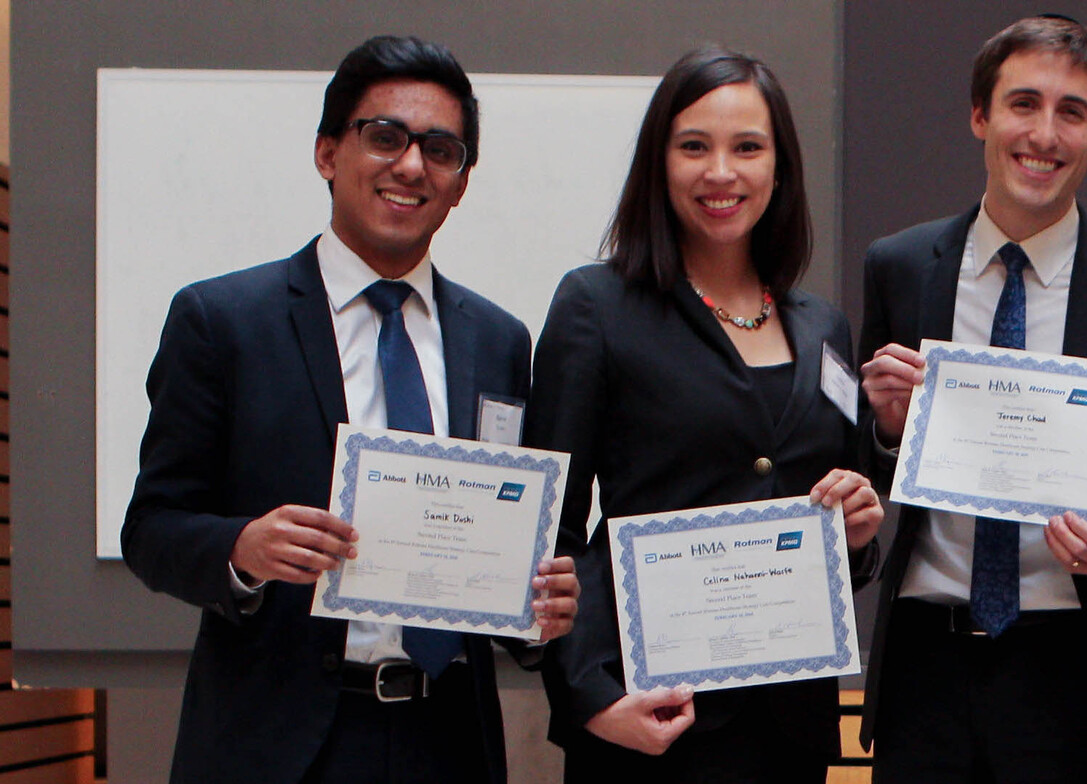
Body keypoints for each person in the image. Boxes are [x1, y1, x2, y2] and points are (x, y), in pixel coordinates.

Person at [120, 35, 579, 784]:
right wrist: (243, 548)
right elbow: (151, 528)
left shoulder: (499, 341)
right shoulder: (223, 320)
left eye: (441, 149)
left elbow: (503, 540)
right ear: (328, 153)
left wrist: (539, 610)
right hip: (280, 744)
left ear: (460, 183)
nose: (410, 165)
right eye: (384, 136)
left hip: (449, 739)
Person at [526, 45, 883, 784]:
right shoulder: (597, 306)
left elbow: (837, 551)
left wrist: (853, 532)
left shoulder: (824, 328)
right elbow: (548, 537)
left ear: (779, 167)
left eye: (747, 148)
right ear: (659, 163)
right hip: (648, 721)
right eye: (694, 147)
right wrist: (590, 697)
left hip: (788, 729)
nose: (721, 172)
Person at [855, 15, 1087, 784]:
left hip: (1084, 672)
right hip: (926, 669)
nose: (1044, 134)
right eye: (1023, 104)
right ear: (981, 116)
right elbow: (863, 467)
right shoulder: (902, 266)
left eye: (1072, 113)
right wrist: (883, 429)